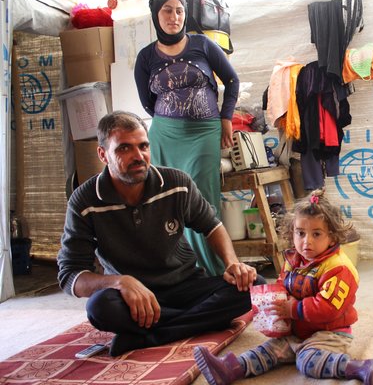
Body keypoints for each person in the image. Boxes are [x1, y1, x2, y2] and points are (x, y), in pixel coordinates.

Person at [57, 111, 263, 357]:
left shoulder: (176, 182)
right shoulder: (85, 201)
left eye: (143, 146)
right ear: (103, 154)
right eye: (124, 148)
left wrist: (232, 263)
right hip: (133, 300)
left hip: (186, 286)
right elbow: (70, 275)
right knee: (100, 308)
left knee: (253, 286)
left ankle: (154, 334)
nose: (138, 156)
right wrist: (119, 281)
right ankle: (198, 321)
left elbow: (212, 225)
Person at [193, 189, 373, 385]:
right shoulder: (293, 260)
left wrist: (293, 309)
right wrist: (273, 304)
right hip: (296, 331)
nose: (306, 241)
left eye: (316, 234)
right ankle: (230, 368)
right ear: (291, 232)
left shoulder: (339, 268)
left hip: (329, 333)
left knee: (307, 362)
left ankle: (360, 367)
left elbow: (328, 307)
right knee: (267, 350)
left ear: (333, 237)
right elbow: (283, 284)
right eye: (300, 233)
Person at [134, 0, 239, 276]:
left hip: (203, 132)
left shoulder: (202, 45)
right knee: (164, 199)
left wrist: (226, 118)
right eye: (167, 10)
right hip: (164, 136)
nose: (174, 16)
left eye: (180, 10)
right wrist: (170, 117)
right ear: (156, 15)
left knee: (202, 198)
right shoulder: (145, 57)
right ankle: (177, 270)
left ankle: (213, 271)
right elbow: (147, 101)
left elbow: (232, 81)